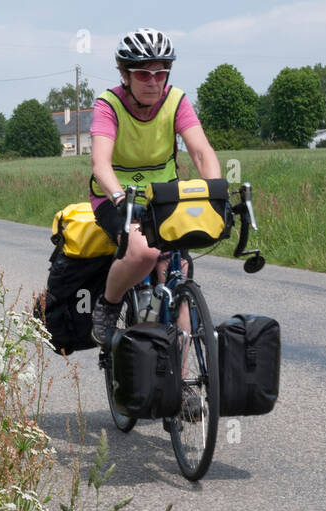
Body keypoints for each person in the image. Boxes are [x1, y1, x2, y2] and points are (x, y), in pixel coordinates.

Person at [88, 28, 222, 352]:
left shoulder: (176, 101)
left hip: (164, 197)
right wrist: (119, 197)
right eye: (144, 74)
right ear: (125, 75)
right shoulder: (109, 105)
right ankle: (108, 304)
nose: (153, 81)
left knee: (180, 274)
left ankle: (185, 386)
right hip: (117, 198)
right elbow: (100, 164)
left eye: (160, 73)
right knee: (146, 252)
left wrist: (215, 193)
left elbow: (201, 152)